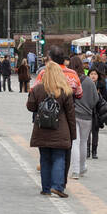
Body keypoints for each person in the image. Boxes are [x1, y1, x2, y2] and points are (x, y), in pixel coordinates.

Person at [27, 55, 76, 198]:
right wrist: (72, 134)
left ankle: (46, 188)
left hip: (42, 129)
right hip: (60, 130)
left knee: (45, 158)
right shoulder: (65, 91)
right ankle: (58, 186)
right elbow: (70, 115)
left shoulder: (38, 89)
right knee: (59, 157)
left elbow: (30, 107)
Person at [69, 58, 99, 179]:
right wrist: (89, 106)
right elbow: (96, 98)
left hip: (74, 113)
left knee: (75, 142)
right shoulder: (89, 81)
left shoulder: (72, 80)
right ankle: (82, 167)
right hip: (87, 115)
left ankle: (75, 170)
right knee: (84, 142)